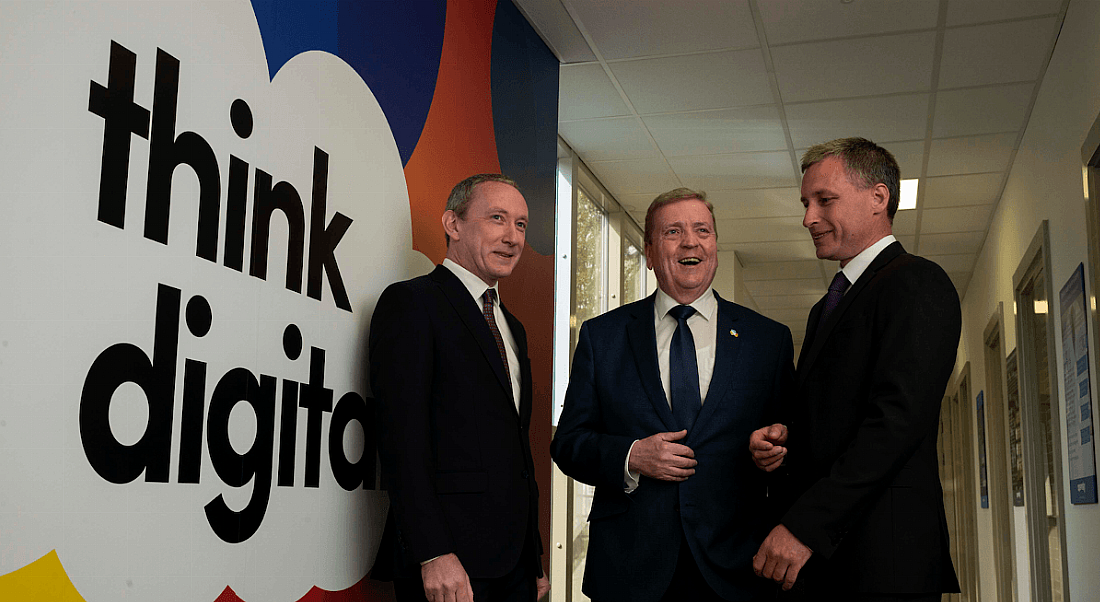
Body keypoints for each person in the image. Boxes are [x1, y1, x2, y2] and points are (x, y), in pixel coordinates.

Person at [551, 188, 795, 602]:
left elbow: (793, 439)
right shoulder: (602, 337)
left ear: (715, 245)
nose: (690, 241)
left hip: (736, 568)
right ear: (649, 252)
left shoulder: (767, 340)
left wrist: (773, 450)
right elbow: (569, 443)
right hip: (630, 570)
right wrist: (631, 456)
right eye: (673, 232)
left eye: (703, 230)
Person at [750, 137, 962, 601]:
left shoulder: (916, 282)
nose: (808, 217)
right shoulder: (826, 307)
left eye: (825, 200)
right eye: (806, 203)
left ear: (878, 198)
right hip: (832, 565)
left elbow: (895, 424)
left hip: (882, 563)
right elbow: (836, 417)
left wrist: (804, 526)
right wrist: (782, 441)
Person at [370, 174, 550, 602]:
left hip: (515, 565)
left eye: (521, 225)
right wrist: (433, 552)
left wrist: (535, 556)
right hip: (451, 566)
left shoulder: (514, 328)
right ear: (453, 224)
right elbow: (401, 440)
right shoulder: (413, 303)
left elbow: (517, 452)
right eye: (497, 218)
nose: (512, 237)